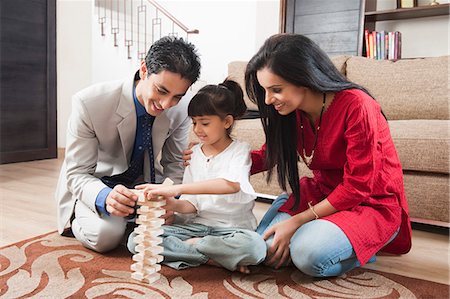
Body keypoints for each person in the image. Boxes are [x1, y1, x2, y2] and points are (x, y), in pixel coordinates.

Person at [242, 33, 412, 277]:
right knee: (265, 251)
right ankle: (305, 223)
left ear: (303, 78)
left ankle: (367, 246)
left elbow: (357, 187)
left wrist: (297, 220)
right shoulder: (291, 112)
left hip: (369, 204)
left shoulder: (357, 106)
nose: (268, 100)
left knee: (308, 256)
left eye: (276, 89)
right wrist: (216, 157)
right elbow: (268, 155)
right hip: (322, 196)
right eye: (265, 90)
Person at [55, 36, 201, 253]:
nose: (166, 104)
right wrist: (105, 198)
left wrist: (172, 200)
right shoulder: (89, 103)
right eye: (161, 91)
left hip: (144, 184)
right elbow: (76, 174)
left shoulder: (182, 109)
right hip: (97, 182)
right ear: (144, 69)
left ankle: (131, 220)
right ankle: (79, 215)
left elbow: (174, 166)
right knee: (106, 236)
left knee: (190, 219)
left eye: (176, 97)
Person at [127, 79, 266, 274]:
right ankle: (210, 257)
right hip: (196, 227)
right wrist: (171, 204)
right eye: (194, 122)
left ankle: (192, 249)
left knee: (256, 249)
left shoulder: (239, 151)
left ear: (227, 122)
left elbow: (231, 185)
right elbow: (191, 205)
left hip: (233, 230)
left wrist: (176, 189)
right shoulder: (194, 155)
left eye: (205, 123)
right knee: (138, 240)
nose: (198, 130)